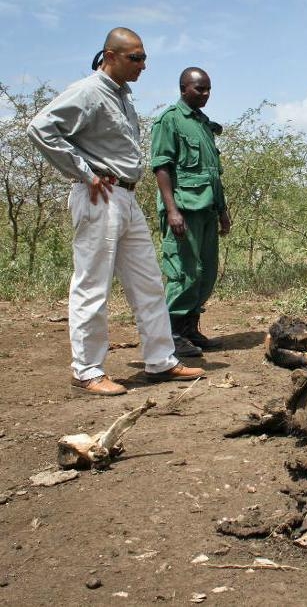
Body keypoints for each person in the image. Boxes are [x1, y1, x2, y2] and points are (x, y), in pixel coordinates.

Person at [27, 27, 206, 395]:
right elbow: (40, 128)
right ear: (110, 56)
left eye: (144, 58)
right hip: (100, 195)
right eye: (135, 58)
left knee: (148, 282)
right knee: (92, 286)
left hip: (126, 196)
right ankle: (87, 371)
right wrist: (84, 172)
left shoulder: (122, 95)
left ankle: (161, 360)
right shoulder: (89, 91)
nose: (143, 65)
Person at [151, 67, 231, 357]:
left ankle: (190, 330)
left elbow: (213, 174)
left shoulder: (203, 124)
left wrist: (222, 210)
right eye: (200, 89)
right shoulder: (169, 120)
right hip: (184, 209)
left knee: (206, 273)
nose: (206, 94)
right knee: (184, 272)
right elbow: (162, 166)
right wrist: (172, 210)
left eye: (209, 89)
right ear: (184, 88)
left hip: (207, 208)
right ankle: (170, 335)